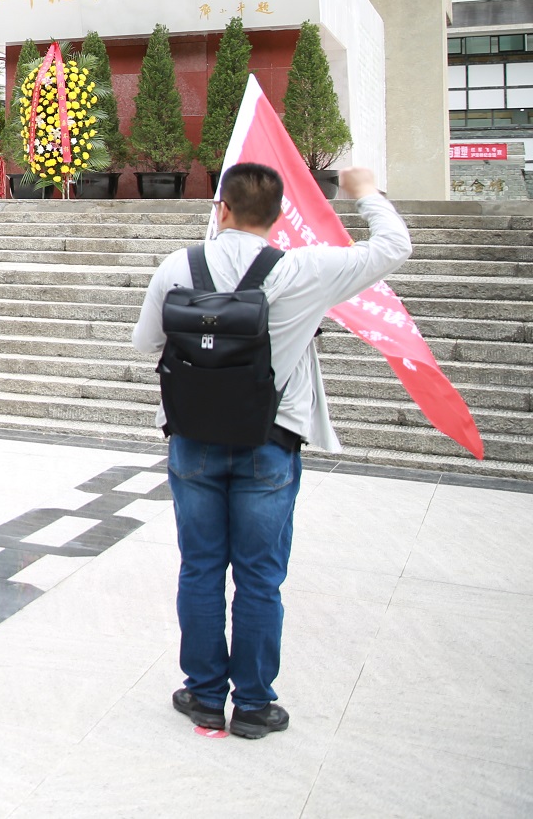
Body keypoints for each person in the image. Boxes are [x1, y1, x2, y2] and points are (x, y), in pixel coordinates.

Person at [132, 163, 410, 740]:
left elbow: (145, 344)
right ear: (279, 216)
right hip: (269, 442)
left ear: (222, 208)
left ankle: (205, 695)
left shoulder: (179, 266)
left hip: (193, 441)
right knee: (259, 578)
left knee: (201, 568)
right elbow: (393, 247)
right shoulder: (306, 269)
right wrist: (365, 192)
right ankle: (254, 705)